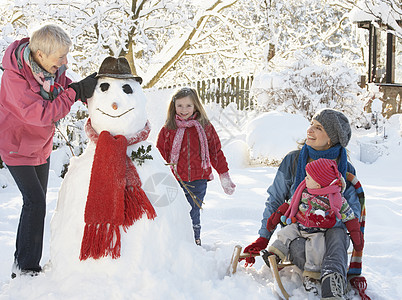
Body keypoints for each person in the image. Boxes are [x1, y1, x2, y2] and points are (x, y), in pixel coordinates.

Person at [0, 24, 98, 278]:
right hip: (16, 147)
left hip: (39, 146)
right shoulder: (14, 78)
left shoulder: (50, 68)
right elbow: (43, 114)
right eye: (60, 57)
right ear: (40, 55)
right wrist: (75, 93)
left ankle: (21, 262)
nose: (65, 61)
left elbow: (66, 87)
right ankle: (26, 268)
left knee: (36, 203)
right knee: (35, 203)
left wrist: (93, 94)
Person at [241, 108, 362, 300]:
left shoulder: (345, 167)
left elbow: (353, 210)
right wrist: (264, 237)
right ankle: (326, 272)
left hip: (332, 234)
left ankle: (333, 285)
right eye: (311, 124)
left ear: (331, 138)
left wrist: (325, 218)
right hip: (299, 231)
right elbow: (275, 200)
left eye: (318, 127)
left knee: (338, 236)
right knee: (298, 246)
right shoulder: (293, 160)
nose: (310, 130)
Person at [266, 158, 363, 295]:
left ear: (319, 184)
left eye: (309, 177)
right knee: (286, 232)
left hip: (318, 231)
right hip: (299, 224)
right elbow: (290, 202)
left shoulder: (336, 199)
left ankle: (311, 276)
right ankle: (275, 253)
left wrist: (356, 236)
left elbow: (350, 217)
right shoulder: (304, 191)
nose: (305, 179)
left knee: (315, 249)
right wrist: (277, 216)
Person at [156, 87, 236, 246]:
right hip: (174, 179)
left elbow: (215, 152)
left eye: (188, 106)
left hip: (198, 179)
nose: (184, 110)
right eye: (180, 106)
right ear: (173, 106)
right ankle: (174, 242)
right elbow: (160, 155)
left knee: (192, 210)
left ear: (196, 106)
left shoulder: (205, 127)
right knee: (174, 211)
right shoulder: (169, 128)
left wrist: (224, 175)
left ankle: (194, 241)